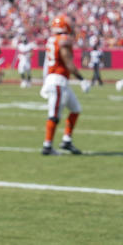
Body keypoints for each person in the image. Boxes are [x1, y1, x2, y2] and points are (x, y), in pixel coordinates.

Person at [40, 14, 90, 156]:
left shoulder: (52, 40)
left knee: (75, 109)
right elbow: (68, 63)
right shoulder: (63, 40)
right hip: (58, 82)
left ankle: (66, 140)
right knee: (54, 115)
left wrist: (44, 81)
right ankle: (47, 146)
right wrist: (81, 79)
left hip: (58, 80)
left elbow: (46, 64)